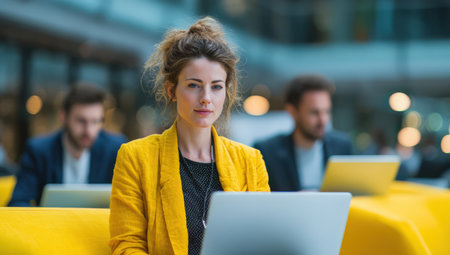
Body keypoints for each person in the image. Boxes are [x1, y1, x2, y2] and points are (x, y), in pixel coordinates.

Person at [109, 17, 270, 255]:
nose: (206, 97)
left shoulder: (250, 161)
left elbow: (263, 239)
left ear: (226, 92)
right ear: (171, 90)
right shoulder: (136, 157)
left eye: (216, 86)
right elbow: (127, 245)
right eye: (194, 85)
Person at [8, 84, 127, 206]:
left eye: (95, 122)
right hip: (52, 224)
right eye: (81, 121)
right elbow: (18, 202)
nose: (89, 131)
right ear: (63, 117)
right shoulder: (38, 151)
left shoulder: (115, 148)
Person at [254, 74, 352, 191]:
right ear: (292, 112)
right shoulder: (267, 153)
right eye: (314, 113)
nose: (323, 120)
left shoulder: (342, 147)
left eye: (326, 111)